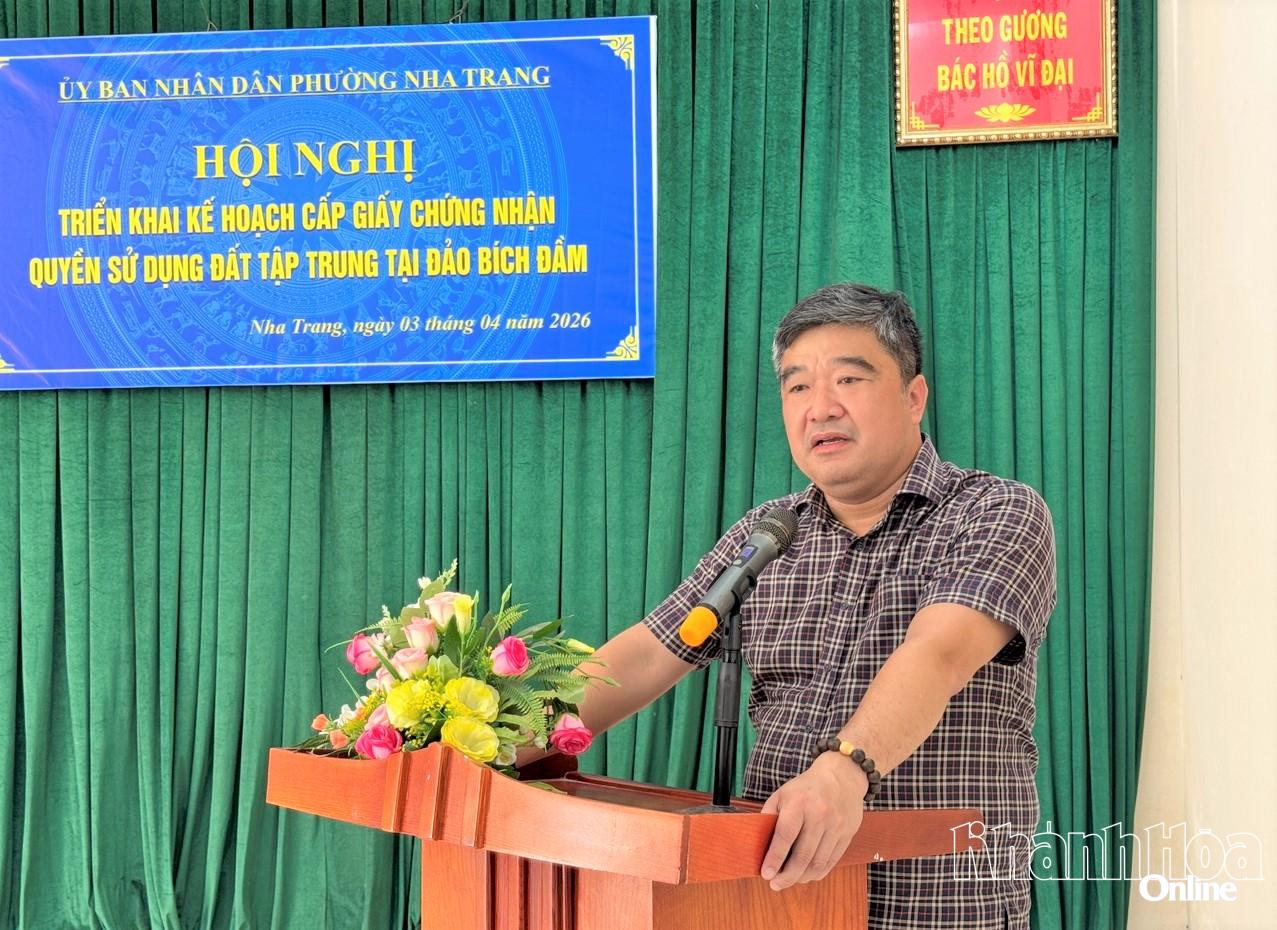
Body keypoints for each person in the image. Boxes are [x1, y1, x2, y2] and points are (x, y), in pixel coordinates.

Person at [555, 283, 1056, 930]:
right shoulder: (766, 534)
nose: (820, 407)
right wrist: (509, 731)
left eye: (848, 379)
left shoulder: (995, 511)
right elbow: (652, 652)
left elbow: (937, 655)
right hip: (775, 899)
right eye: (797, 387)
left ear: (913, 397)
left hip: (938, 904)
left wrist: (845, 771)